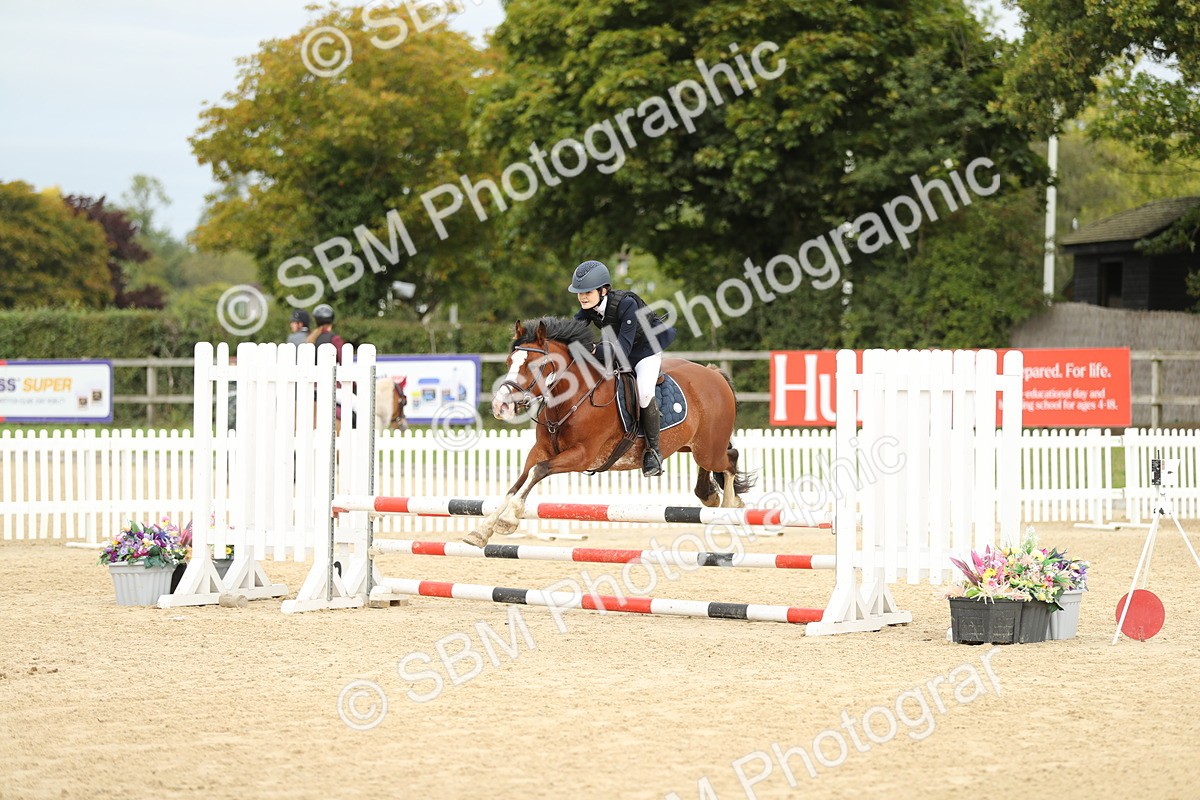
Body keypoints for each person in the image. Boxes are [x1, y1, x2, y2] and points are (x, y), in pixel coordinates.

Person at [569, 259, 677, 477]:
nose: (582, 297)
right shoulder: (589, 308)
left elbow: (623, 350)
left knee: (644, 392)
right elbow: (570, 332)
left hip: (645, 350)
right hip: (619, 348)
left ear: (603, 290)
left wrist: (592, 349)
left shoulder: (627, 304)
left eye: (587, 292)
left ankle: (653, 452)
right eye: (579, 293)